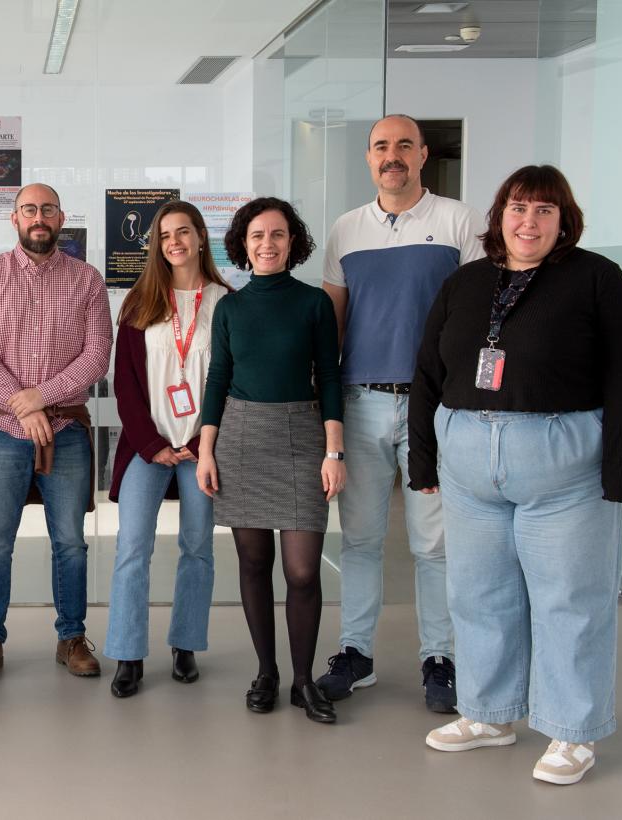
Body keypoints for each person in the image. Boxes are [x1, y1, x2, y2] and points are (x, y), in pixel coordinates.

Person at [410, 165, 622, 785]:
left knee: (571, 599)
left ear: (564, 220)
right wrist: (423, 458)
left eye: (544, 210)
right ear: (499, 217)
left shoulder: (598, 279)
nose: (529, 221)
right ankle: (489, 715)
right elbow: (428, 373)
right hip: (469, 465)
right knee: (477, 593)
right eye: (518, 208)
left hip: (564, 467)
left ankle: (572, 732)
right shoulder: (465, 282)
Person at [318, 114, 486, 713]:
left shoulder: (459, 222)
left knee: (433, 544)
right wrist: (327, 408)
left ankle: (439, 658)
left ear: (422, 156)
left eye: (404, 146)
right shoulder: (346, 230)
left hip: (432, 408)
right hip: (361, 404)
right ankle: (355, 652)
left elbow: (476, 318)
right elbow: (333, 323)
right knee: (360, 539)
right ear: (369, 159)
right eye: (382, 147)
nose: (393, 156)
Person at [196, 197, 344, 723]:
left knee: (302, 572)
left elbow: (329, 378)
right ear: (242, 244)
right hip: (240, 436)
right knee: (254, 564)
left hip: (303, 435)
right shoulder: (230, 308)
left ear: (292, 242)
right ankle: (267, 671)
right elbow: (217, 380)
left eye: (278, 234)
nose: (267, 244)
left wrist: (334, 451)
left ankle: (305, 681)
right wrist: (206, 450)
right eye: (257, 235)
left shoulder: (314, 304)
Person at [0, 183, 113, 682]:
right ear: (16, 219)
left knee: (70, 541)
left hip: (65, 429)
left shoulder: (87, 280)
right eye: (29, 209)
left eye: (47, 209)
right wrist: (22, 407)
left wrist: (41, 399)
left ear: (61, 217)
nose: (39, 217)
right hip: (0, 430)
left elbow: (96, 355)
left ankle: (71, 636)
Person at [104, 201, 230, 698]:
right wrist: (152, 444)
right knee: (132, 547)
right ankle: (128, 653)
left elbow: (230, 382)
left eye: (183, 231)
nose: (173, 241)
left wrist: (203, 442)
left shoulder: (226, 302)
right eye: (164, 235)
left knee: (197, 547)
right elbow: (126, 385)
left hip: (203, 449)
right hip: (146, 446)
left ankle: (185, 645)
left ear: (201, 237)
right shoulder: (139, 302)